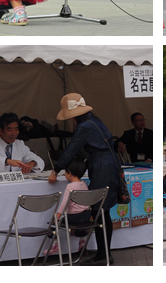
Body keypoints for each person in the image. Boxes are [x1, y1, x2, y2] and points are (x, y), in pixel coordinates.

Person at [48, 93, 119, 265]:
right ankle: (104, 254)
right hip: (110, 162)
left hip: (101, 165)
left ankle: (103, 256)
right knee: (104, 211)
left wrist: (56, 169)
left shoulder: (84, 126)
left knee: (98, 210)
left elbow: (72, 149)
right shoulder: (96, 121)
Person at [45, 157, 90, 255]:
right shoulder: (84, 183)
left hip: (74, 217)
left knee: (52, 225)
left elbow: (64, 202)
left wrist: (58, 215)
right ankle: (82, 242)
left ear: (69, 173)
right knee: (81, 226)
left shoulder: (70, 186)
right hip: (86, 215)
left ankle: (55, 245)